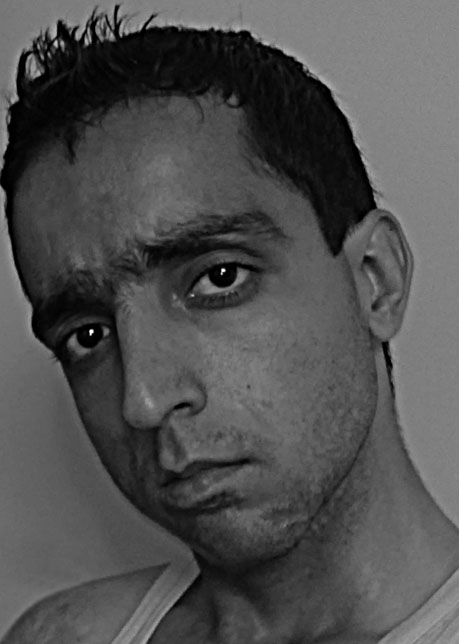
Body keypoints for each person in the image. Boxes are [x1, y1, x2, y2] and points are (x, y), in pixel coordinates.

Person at [2, 5, 459, 643]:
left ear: (374, 279)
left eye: (218, 279)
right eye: (88, 335)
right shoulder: (63, 636)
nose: (143, 401)